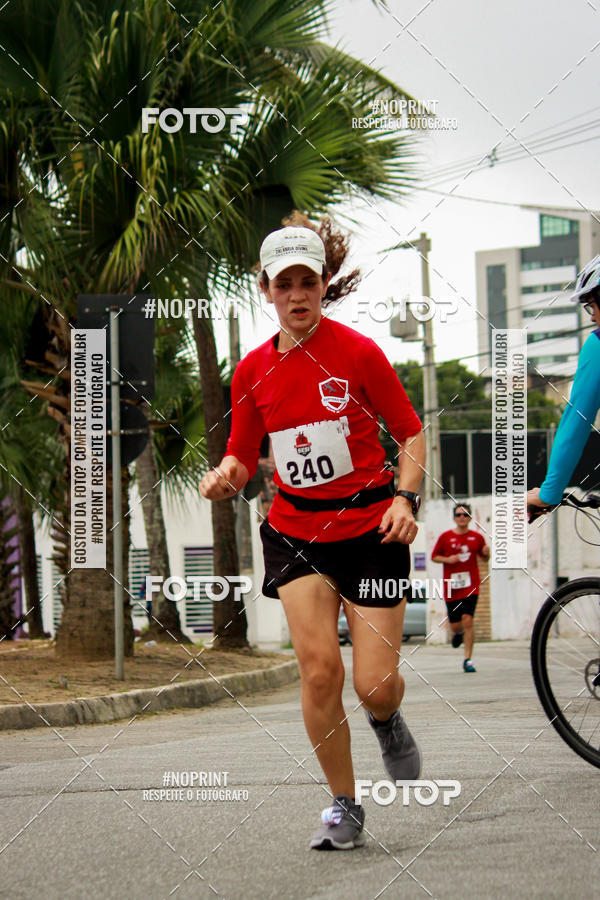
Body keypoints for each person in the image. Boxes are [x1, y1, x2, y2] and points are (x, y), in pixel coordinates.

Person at [200, 221, 425, 850]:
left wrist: (406, 497)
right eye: (284, 284)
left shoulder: (359, 353)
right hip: (296, 530)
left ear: (324, 286)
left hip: (372, 527)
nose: (297, 294)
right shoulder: (250, 372)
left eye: (308, 281)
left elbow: (410, 434)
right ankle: (344, 805)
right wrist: (226, 475)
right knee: (320, 672)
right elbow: (243, 456)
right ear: (266, 291)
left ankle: (387, 719)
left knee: (373, 682)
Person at [527, 254, 600, 514]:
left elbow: (576, 421)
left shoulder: (598, 344)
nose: (592, 317)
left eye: (592, 306)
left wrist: (549, 492)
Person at [431, 503, 490, 673]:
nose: (462, 518)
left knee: (468, 620)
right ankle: (457, 634)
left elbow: (484, 558)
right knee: (456, 625)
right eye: (459, 515)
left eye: (465, 515)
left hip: (471, 586)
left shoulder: (477, 538)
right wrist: (448, 560)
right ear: (454, 518)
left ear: (470, 518)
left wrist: (487, 553)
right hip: (452, 587)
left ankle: (468, 660)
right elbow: (434, 556)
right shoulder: (445, 537)